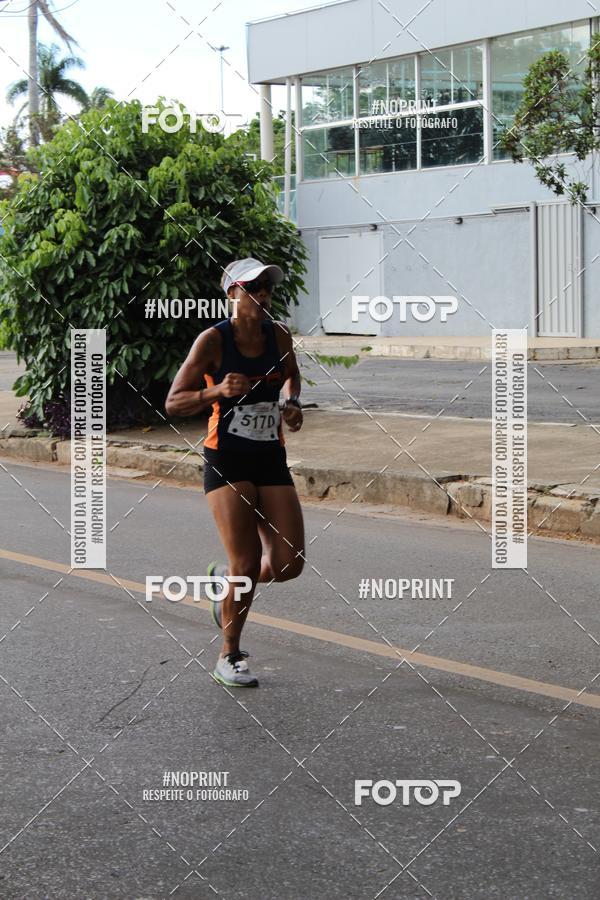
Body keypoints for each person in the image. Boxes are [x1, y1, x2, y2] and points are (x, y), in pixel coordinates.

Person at [165, 258, 305, 688]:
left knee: (289, 563)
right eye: (252, 287)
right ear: (231, 294)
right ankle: (229, 654)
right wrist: (217, 391)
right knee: (244, 560)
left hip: (269, 457)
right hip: (226, 458)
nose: (262, 294)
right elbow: (174, 401)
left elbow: (292, 377)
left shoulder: (277, 334)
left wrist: (291, 404)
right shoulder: (213, 341)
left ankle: (226, 586)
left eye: (266, 287)